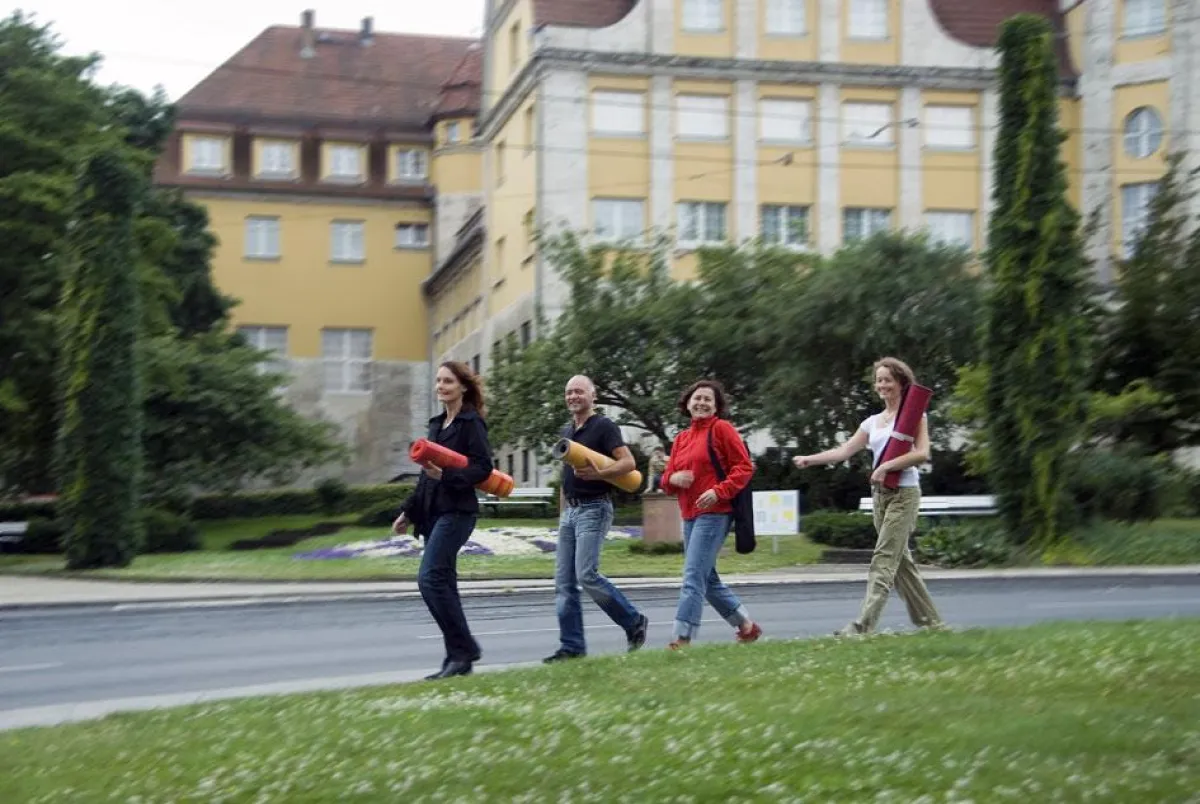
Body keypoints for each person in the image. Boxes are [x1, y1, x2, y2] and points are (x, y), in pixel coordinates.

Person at [792, 357, 945, 636]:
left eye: (888, 380)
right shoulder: (872, 422)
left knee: (884, 558)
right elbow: (844, 451)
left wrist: (886, 466)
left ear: (901, 383)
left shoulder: (914, 416)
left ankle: (862, 626)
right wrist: (809, 459)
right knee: (901, 564)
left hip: (904, 494)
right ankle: (932, 625)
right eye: (879, 380)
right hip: (880, 496)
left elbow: (922, 454)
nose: (882, 385)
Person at [393, 361, 494, 679]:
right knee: (444, 584)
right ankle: (458, 659)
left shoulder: (471, 423)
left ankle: (465, 648)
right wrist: (408, 512)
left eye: (448, 381)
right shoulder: (437, 424)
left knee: (430, 579)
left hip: (458, 512)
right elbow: (427, 475)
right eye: (438, 381)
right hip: (433, 512)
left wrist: (447, 476)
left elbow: (483, 468)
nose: (441, 386)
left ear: (462, 386)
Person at [544, 375, 650, 662]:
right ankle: (572, 647)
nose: (573, 396)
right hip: (571, 512)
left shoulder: (604, 426)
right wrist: (563, 514)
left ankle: (633, 621)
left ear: (593, 396)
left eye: (579, 391)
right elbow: (566, 478)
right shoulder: (567, 431)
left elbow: (628, 463)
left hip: (595, 508)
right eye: (569, 392)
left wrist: (601, 474)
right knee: (563, 583)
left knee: (586, 575)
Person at [660, 379, 762, 649]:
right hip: (689, 514)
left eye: (708, 399)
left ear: (716, 407)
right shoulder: (681, 439)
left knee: (693, 575)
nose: (702, 403)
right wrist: (673, 478)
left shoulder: (722, 429)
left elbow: (744, 467)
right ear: (688, 403)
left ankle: (682, 638)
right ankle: (746, 627)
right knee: (707, 578)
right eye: (697, 398)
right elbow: (666, 481)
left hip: (715, 512)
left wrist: (719, 491)